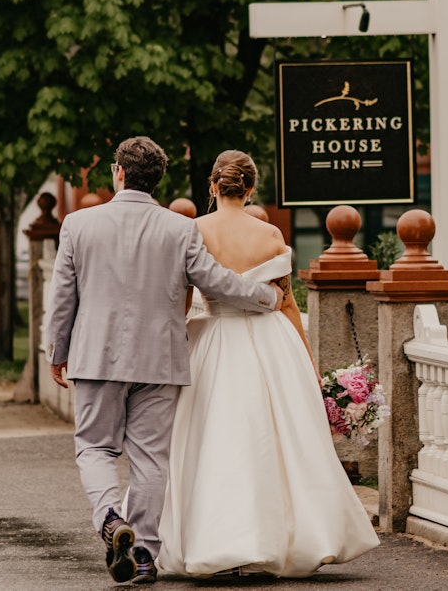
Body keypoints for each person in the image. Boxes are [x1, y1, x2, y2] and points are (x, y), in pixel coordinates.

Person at [44, 137, 284, 585]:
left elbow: (62, 299)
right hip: (161, 360)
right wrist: (267, 294)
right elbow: (216, 281)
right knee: (151, 459)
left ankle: (111, 521)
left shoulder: (78, 224)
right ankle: (144, 557)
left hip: (97, 358)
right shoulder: (179, 229)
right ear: (157, 180)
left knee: (95, 448)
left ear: (118, 172)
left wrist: (57, 351)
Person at [156, 150, 380, 578]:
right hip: (271, 340)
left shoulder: (193, 231)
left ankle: (216, 540)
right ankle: (291, 538)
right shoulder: (271, 235)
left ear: (212, 186)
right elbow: (289, 303)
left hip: (212, 338)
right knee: (279, 441)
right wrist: (309, 365)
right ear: (251, 188)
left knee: (211, 438)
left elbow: (182, 304)